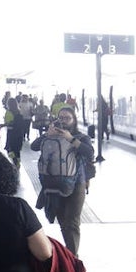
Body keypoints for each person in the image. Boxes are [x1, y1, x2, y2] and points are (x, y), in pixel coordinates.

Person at [31, 105, 94, 255]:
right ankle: (71, 254)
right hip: (54, 183)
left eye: (67, 118)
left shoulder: (81, 137)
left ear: (74, 120)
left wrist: (71, 139)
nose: (64, 121)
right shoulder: (51, 136)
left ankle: (73, 257)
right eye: (61, 118)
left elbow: (89, 152)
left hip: (77, 184)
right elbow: (33, 146)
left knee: (72, 222)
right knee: (63, 222)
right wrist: (47, 134)